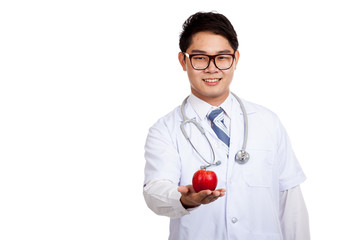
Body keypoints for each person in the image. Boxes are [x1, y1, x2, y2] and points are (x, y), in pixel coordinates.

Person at [143, 11, 310, 240]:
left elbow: (290, 203)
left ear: (236, 59)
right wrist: (183, 199)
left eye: (222, 57)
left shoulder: (267, 122)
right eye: (200, 58)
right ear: (184, 61)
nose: (212, 69)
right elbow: (155, 191)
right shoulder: (165, 130)